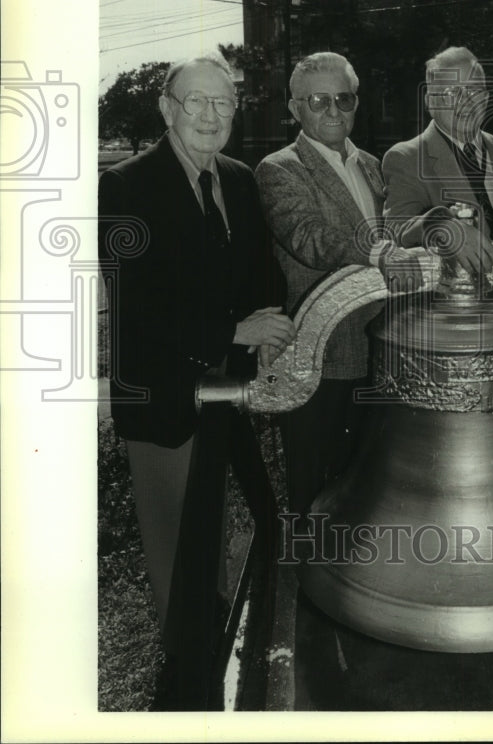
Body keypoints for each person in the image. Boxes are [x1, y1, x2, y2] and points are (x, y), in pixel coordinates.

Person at [98, 51, 295, 710]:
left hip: (225, 394)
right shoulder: (125, 186)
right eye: (197, 102)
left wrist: (272, 332)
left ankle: (215, 655)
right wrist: (231, 333)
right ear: (167, 109)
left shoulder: (238, 179)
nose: (211, 115)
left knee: (210, 532)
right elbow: (137, 301)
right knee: (175, 550)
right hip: (161, 398)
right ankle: (184, 690)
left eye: (224, 103)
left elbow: (260, 271)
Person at [255, 51, 420, 521]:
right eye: (318, 100)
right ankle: (311, 590)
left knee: (371, 493)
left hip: (384, 352)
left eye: (342, 99)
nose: (332, 110)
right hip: (319, 358)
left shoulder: (372, 164)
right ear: (295, 109)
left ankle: (355, 588)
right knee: (316, 495)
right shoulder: (279, 168)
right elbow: (309, 238)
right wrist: (379, 250)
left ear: (356, 103)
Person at [382, 46, 493, 277]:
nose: (465, 102)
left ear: (486, 98)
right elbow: (396, 231)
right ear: (430, 102)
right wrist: (440, 224)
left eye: (473, 91)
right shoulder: (406, 157)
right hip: (449, 303)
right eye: (452, 93)